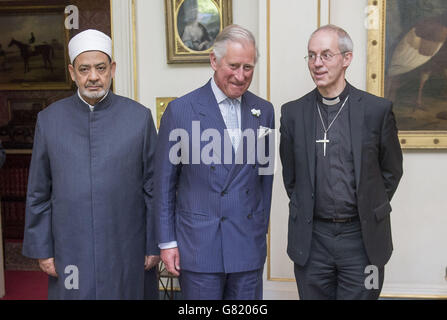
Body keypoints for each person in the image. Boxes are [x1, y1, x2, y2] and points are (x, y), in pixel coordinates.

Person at [22, 29, 160, 299]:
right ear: (72, 72)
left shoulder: (139, 118)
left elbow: (153, 188)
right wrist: (43, 249)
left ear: (113, 69)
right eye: (84, 69)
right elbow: (38, 192)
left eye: (101, 68)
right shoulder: (49, 121)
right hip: (70, 249)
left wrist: (153, 244)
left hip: (126, 246)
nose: (93, 77)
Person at [280, 24, 403, 300]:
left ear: (347, 59)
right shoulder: (292, 114)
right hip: (313, 240)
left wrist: (369, 206)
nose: (317, 63)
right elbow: (291, 179)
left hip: (362, 240)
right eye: (311, 56)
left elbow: (392, 171)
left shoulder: (376, 111)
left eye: (326, 55)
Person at [155, 24, 275, 300]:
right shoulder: (180, 111)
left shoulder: (264, 112)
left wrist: (259, 230)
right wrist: (168, 241)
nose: (241, 76)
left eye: (248, 67)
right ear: (213, 60)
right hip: (198, 246)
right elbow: (163, 183)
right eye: (233, 65)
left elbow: (265, 180)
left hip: (246, 246)